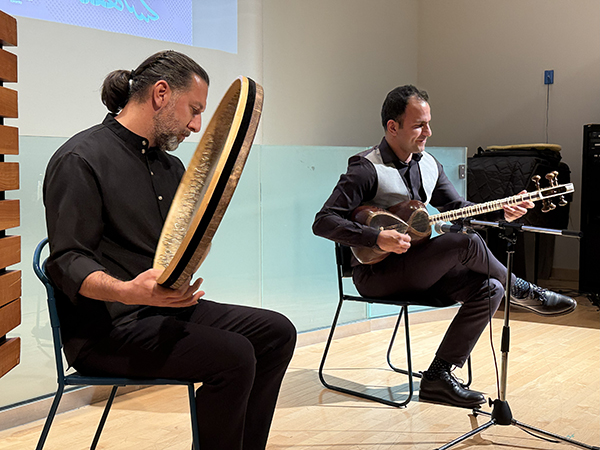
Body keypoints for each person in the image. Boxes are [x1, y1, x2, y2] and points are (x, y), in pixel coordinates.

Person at [43, 50, 296, 450]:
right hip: (107, 330)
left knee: (276, 333)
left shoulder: (171, 168)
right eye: (194, 110)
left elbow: (178, 248)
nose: (197, 126)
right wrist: (129, 291)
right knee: (233, 356)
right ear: (161, 94)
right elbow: (66, 260)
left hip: (164, 312)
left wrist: (195, 250)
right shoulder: (81, 158)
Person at [312, 85, 576, 409]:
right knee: (466, 242)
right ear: (392, 127)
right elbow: (323, 221)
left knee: (490, 288)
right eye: (419, 125)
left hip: (418, 269)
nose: (428, 132)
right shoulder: (366, 168)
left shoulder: (429, 164)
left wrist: (502, 210)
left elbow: (458, 208)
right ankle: (520, 289)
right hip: (376, 275)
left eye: (428, 123)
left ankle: (438, 377)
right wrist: (375, 238)